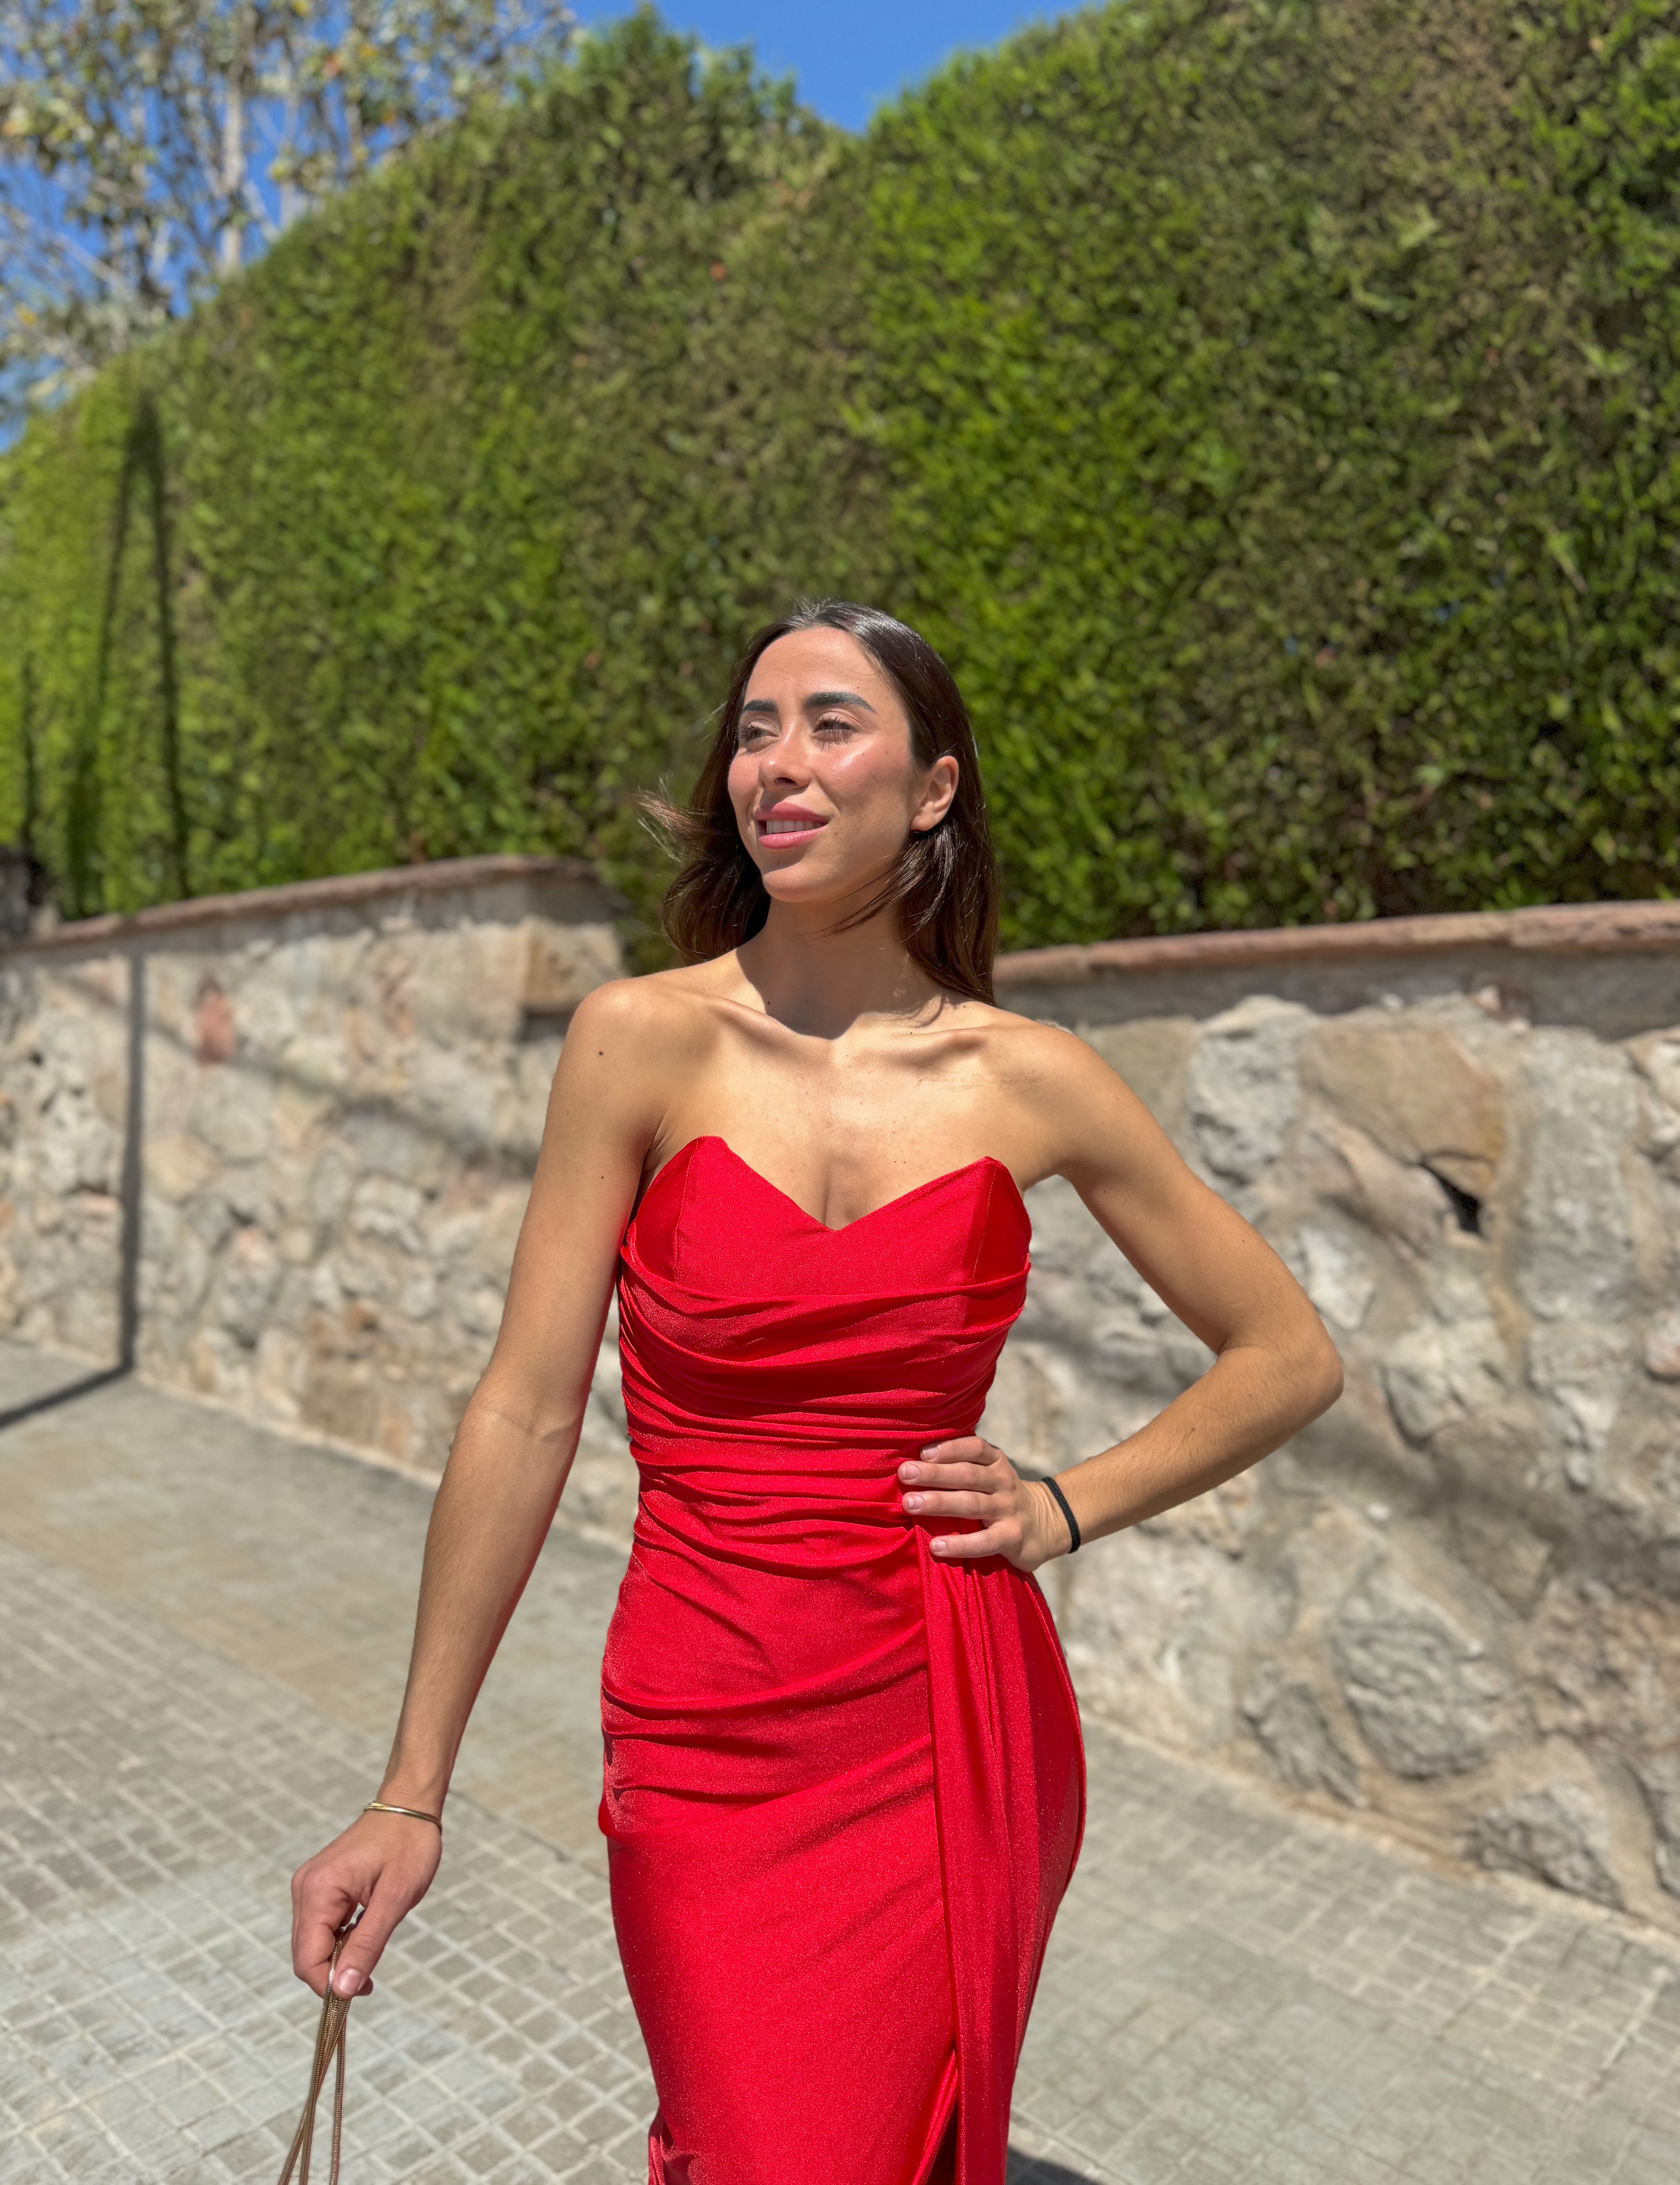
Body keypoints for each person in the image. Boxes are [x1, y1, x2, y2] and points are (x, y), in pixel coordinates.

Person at [290, 599, 1343, 2185]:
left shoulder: (1031, 1077)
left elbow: (1289, 1352)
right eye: (754, 728)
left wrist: (1064, 1506)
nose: (774, 764)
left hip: (948, 1717)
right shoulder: (639, 1040)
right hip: (702, 1724)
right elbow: (523, 1414)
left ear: (933, 787)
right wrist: (410, 1794)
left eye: (829, 723)